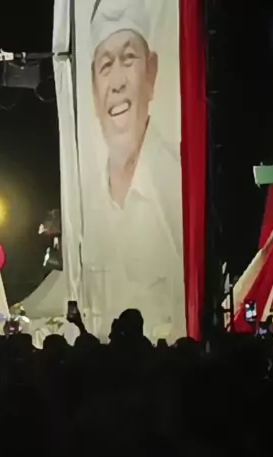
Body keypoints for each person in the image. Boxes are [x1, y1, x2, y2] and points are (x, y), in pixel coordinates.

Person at [90, 0, 183, 341]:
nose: (116, 83)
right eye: (105, 66)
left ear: (151, 73)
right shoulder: (85, 202)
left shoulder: (179, 184)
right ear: (93, 89)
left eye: (128, 59)